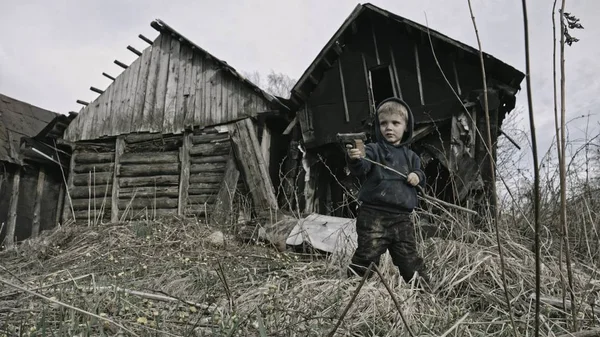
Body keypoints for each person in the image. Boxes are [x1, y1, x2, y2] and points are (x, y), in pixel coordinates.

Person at [345, 97, 430, 289]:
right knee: (367, 255)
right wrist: (355, 158)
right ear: (378, 127)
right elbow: (361, 166)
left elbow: (420, 175)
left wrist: (417, 176)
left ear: (406, 127)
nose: (389, 128)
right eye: (383, 123)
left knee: (409, 259)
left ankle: (426, 293)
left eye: (395, 123)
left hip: (402, 219)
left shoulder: (411, 157)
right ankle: (350, 289)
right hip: (373, 215)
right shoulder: (373, 150)